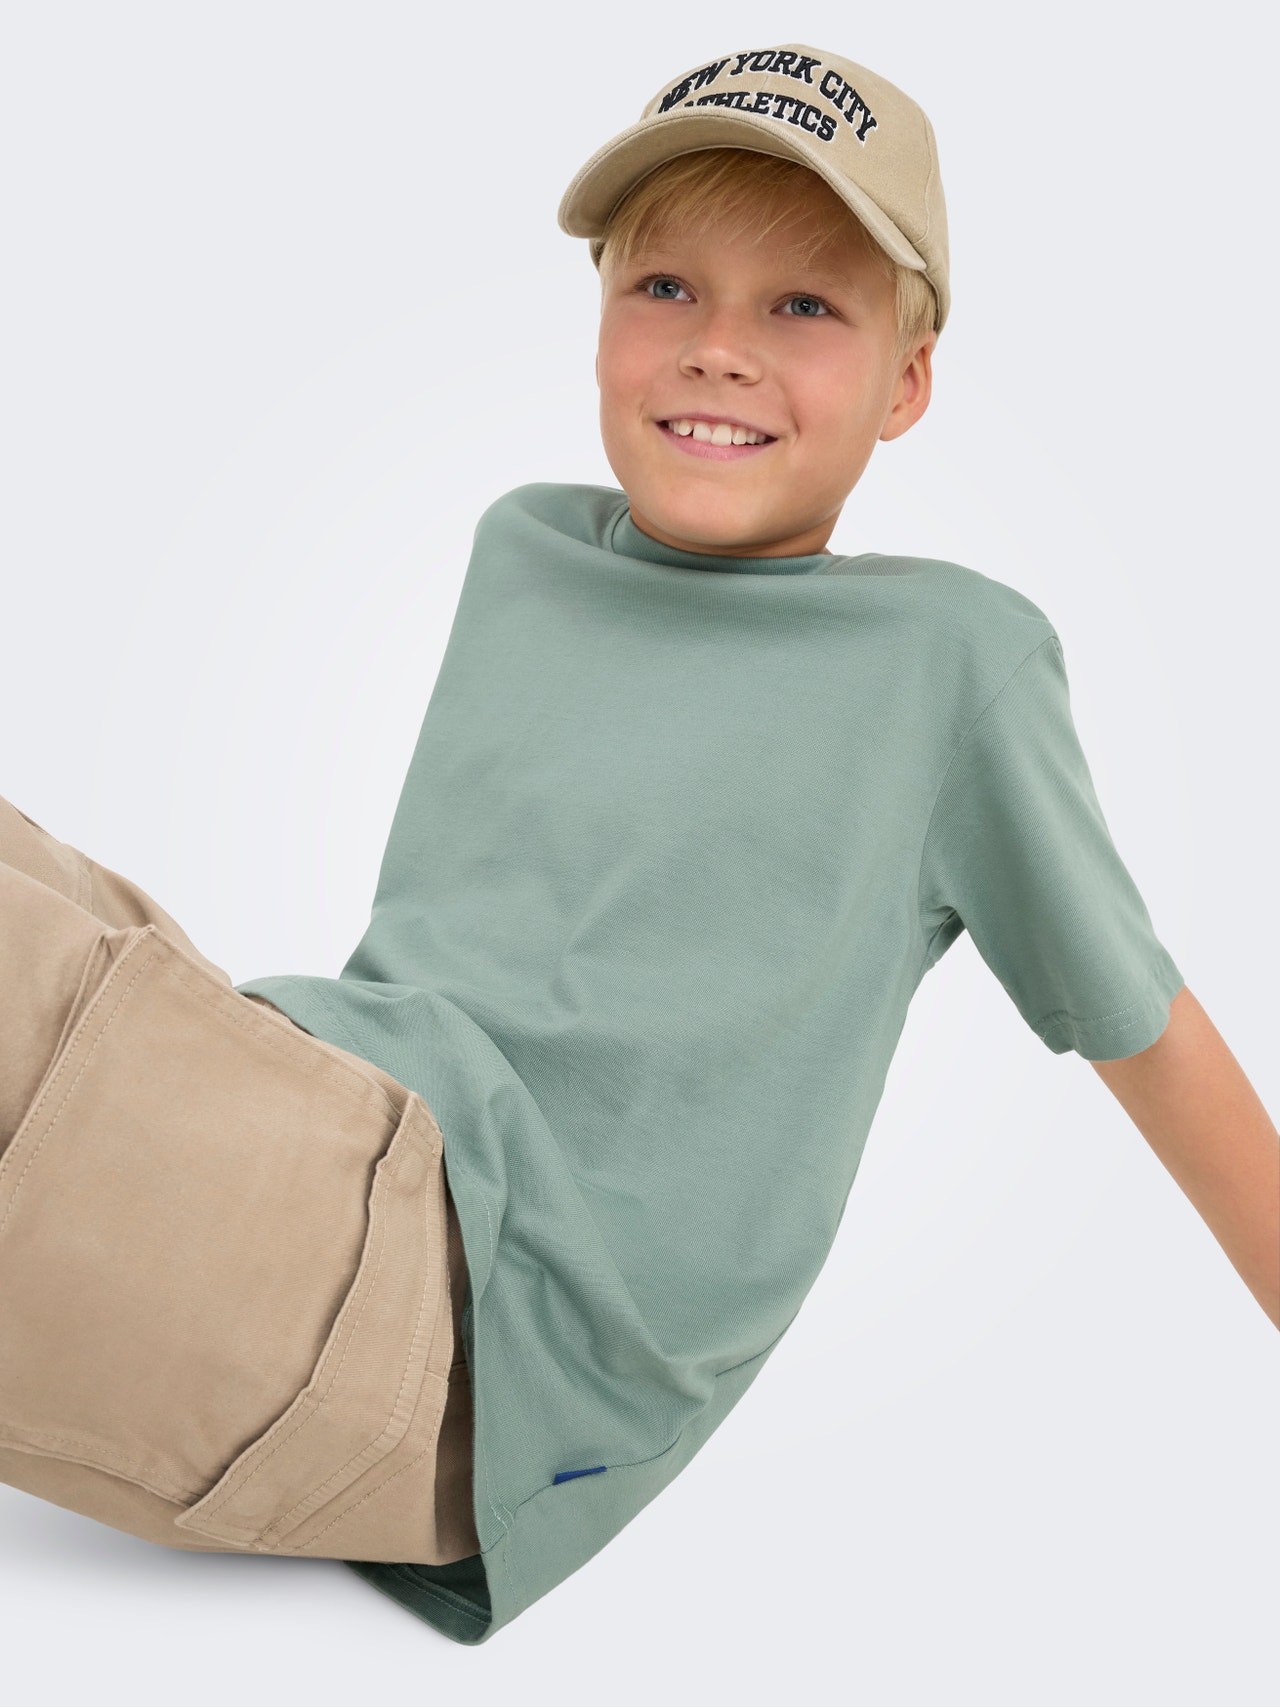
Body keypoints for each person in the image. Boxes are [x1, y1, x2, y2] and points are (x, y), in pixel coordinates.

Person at [2, 42, 1276, 1648]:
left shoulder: (952, 665)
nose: (718, 349)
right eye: (665, 286)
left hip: (472, 1328)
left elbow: (1147, 1031)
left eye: (803, 306)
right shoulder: (528, 547)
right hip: (315, 1113)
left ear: (906, 384)